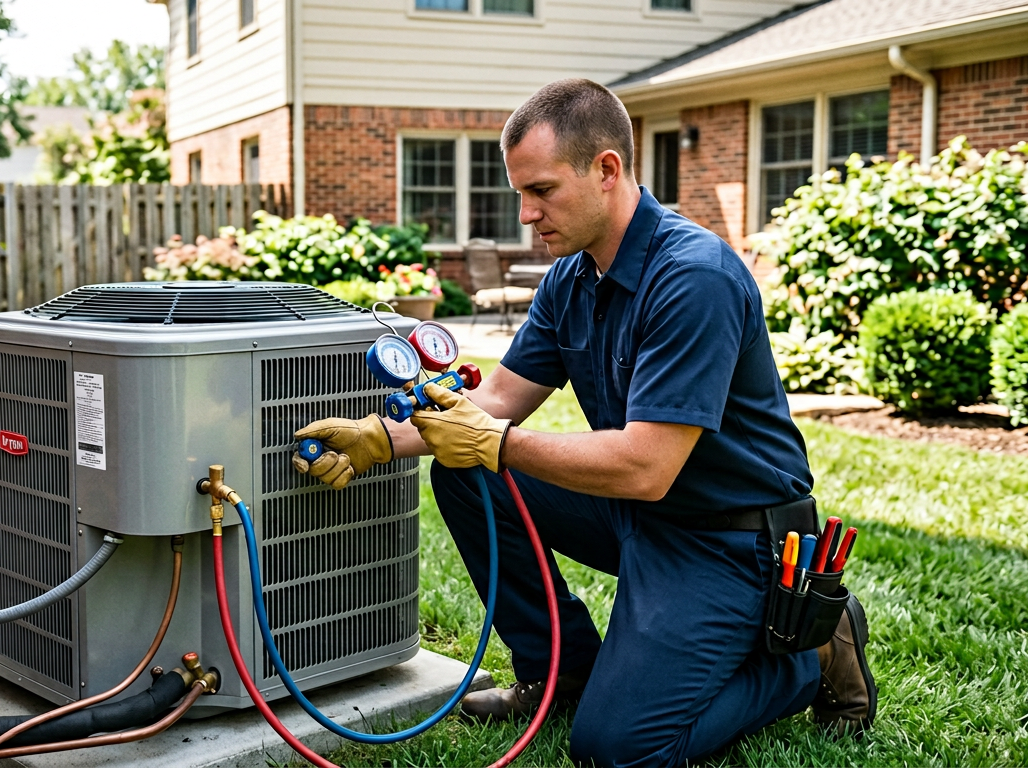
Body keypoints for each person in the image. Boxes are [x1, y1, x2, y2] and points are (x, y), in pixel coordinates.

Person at [292, 78, 876, 766]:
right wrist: (379, 440)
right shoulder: (573, 277)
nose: (526, 214)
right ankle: (561, 673)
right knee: (464, 471)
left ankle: (805, 658)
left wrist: (498, 445)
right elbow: (501, 402)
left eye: (541, 191)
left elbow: (645, 467)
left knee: (617, 750)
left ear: (607, 170)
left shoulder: (693, 277)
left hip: (731, 540)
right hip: (642, 518)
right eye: (519, 194)